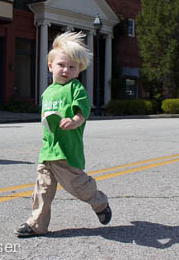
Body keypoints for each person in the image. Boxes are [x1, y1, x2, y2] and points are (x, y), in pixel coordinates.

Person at [14, 32, 111, 238]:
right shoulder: (47, 92)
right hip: (48, 150)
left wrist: (75, 121)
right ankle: (37, 224)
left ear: (79, 71)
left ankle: (100, 203)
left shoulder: (76, 88)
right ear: (50, 66)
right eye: (61, 65)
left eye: (72, 67)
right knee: (42, 190)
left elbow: (82, 111)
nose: (66, 70)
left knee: (78, 187)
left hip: (66, 151)